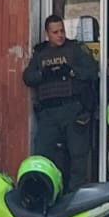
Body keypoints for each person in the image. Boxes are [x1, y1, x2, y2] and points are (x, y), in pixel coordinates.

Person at [23, 15, 100, 190]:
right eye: (55, 32)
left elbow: (92, 72)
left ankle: (76, 198)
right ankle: (46, 193)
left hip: (73, 110)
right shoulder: (40, 53)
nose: (60, 35)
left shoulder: (76, 49)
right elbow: (28, 77)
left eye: (62, 31)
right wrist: (45, 74)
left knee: (78, 158)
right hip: (49, 113)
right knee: (43, 155)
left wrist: (71, 71)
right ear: (46, 34)